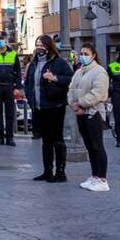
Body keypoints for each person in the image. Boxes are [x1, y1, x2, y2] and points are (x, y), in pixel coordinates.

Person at [25, 35, 73, 182]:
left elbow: (70, 78)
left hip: (55, 106)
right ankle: (47, 171)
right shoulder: (33, 64)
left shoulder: (58, 63)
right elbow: (29, 83)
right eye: (37, 44)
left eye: (42, 45)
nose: (39, 47)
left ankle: (60, 172)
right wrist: (29, 97)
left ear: (48, 46)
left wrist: (55, 78)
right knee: (45, 141)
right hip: (39, 107)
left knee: (57, 139)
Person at [68, 43, 110, 192]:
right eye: (81, 53)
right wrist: (73, 103)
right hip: (81, 113)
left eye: (86, 54)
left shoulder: (99, 72)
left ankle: (102, 178)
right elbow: (71, 88)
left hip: (94, 113)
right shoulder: (79, 72)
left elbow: (98, 93)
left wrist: (81, 103)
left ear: (93, 55)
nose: (83, 56)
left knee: (97, 145)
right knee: (89, 146)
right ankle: (94, 176)